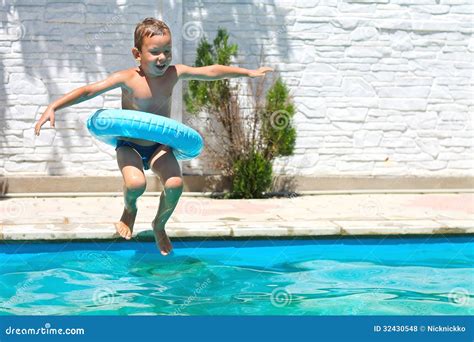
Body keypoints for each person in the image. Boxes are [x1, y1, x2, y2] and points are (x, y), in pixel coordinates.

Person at [34, 17, 273, 256]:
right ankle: (130, 210)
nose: (162, 57)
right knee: (136, 184)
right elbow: (89, 91)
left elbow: (210, 71)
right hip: (130, 145)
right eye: (155, 51)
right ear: (137, 54)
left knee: (175, 184)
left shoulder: (173, 74)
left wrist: (248, 72)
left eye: (167, 51)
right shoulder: (127, 78)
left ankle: (159, 224)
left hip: (160, 146)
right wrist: (54, 106)